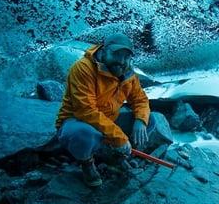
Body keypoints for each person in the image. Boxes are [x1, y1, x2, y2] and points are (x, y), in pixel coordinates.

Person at [55, 33, 155, 187]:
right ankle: (87, 162)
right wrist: (119, 137)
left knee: (148, 120)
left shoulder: (128, 74)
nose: (121, 61)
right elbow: (86, 111)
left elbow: (140, 99)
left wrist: (141, 121)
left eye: (126, 57)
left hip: (108, 122)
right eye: (116, 54)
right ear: (104, 50)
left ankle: (116, 154)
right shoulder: (83, 69)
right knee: (84, 134)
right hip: (78, 122)